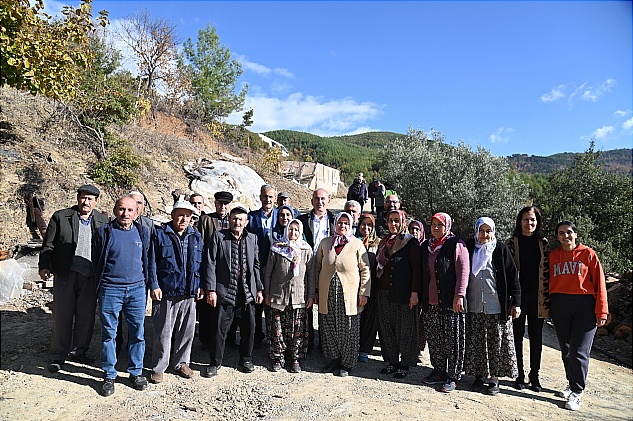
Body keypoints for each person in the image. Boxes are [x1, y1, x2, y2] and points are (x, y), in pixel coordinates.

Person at [39, 184, 109, 372]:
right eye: (83, 197)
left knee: (86, 316)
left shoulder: (103, 221)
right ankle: (58, 355)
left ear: (96, 201)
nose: (86, 202)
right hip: (65, 273)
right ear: (78, 198)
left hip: (91, 275)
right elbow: (49, 245)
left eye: (90, 199)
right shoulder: (61, 217)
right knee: (62, 315)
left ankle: (79, 352)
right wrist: (44, 265)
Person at [92, 195, 154, 397]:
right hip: (110, 290)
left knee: (137, 332)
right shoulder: (104, 232)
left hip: (137, 290)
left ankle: (135, 372)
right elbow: (96, 260)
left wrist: (150, 285)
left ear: (137, 212)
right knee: (109, 334)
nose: (125, 214)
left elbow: (148, 260)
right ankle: (109, 375)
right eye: (121, 209)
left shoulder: (142, 232)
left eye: (130, 210)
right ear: (114, 210)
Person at [549, 221, 608, 411]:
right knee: (566, 349)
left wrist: (602, 311)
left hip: (584, 306)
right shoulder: (553, 256)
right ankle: (571, 384)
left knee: (579, 351)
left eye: (569, 233)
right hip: (560, 305)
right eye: (561, 233)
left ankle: (577, 391)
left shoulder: (588, 255)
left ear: (576, 234)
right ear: (557, 237)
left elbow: (599, 284)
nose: (565, 236)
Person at [202, 205, 264, 377]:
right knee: (218, 330)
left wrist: (259, 288)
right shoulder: (219, 237)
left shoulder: (252, 238)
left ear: (246, 222)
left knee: (249, 328)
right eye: (234, 218)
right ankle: (215, 362)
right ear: (229, 220)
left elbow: (256, 266)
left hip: (246, 292)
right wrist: (211, 290)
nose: (237, 222)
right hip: (224, 292)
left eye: (240, 219)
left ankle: (246, 359)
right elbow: (210, 263)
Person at [464, 217, 521, 396]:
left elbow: (513, 278)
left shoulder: (500, 250)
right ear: (476, 231)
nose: (485, 235)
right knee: (478, 342)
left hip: (496, 306)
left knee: (495, 343)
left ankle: (494, 379)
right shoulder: (470, 248)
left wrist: (516, 303)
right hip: (474, 305)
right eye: (482, 231)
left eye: (488, 231)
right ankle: (479, 376)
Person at [149, 201, 204, 384]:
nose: (183, 219)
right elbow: (152, 263)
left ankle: (181, 362)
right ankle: (159, 367)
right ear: (172, 215)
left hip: (189, 291)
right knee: (163, 332)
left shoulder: (196, 236)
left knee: (187, 331)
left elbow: (201, 263)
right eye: (180, 215)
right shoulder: (160, 234)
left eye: (187, 216)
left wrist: (200, 285)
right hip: (166, 291)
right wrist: (154, 285)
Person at [316, 212, 371, 377]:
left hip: (349, 295)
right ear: (335, 224)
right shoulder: (325, 243)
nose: (343, 226)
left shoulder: (356, 244)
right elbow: (317, 267)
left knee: (349, 328)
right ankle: (333, 359)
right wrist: (316, 291)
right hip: (328, 294)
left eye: (346, 223)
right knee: (329, 326)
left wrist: (364, 293)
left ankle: (347, 363)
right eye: (340, 222)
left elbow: (365, 269)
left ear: (351, 225)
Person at [421, 212, 469, 393]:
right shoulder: (428, 246)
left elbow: (463, 271)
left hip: (450, 302)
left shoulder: (456, 244)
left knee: (453, 340)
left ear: (447, 226)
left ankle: (453, 376)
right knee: (435, 338)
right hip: (431, 302)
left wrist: (459, 295)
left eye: (439, 225)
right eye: (433, 224)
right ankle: (439, 371)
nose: (435, 228)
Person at [505, 206, 550, 392]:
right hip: (518, 297)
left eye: (533, 220)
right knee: (516, 336)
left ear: (537, 222)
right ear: (519, 221)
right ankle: (519, 374)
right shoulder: (511, 242)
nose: (529, 223)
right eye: (526, 219)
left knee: (536, 337)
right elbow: (507, 272)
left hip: (538, 297)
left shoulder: (543, 243)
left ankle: (535, 375)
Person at [263, 219, 315, 373]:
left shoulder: (306, 249)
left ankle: (295, 358)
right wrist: (267, 292)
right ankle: (278, 358)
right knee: (277, 329)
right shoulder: (277, 248)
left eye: (296, 230)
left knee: (296, 329)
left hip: (299, 296)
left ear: (301, 232)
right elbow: (268, 272)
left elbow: (311, 275)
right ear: (286, 231)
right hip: (278, 295)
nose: (293, 233)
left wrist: (311, 295)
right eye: (290, 229)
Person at [374, 210, 421, 379]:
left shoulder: (410, 242)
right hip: (383, 292)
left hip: (404, 292)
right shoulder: (384, 242)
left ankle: (405, 363)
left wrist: (415, 293)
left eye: (396, 221)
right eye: (390, 221)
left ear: (403, 222)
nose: (393, 224)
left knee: (405, 329)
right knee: (386, 328)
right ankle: (392, 361)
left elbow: (417, 270)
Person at [297, 188, 336, 351]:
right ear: (312, 201)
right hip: (307, 266)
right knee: (307, 302)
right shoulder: (302, 220)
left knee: (325, 304)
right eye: (316, 199)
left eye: (323, 199)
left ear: (328, 201)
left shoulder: (334, 220)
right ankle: (308, 342)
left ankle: (325, 342)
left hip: (326, 267)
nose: (319, 202)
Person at [197, 191, 233, 351]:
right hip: (210, 269)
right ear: (215, 203)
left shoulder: (235, 220)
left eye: (225, 204)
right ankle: (206, 340)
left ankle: (229, 339)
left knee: (228, 307)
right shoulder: (206, 220)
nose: (222, 207)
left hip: (229, 272)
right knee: (207, 308)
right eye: (219, 203)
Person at [248, 184, 279, 346]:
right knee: (257, 301)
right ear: (260, 197)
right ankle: (257, 336)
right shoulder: (251, 218)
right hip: (257, 265)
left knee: (274, 302)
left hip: (276, 267)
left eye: (271, 197)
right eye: (265, 196)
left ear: (275, 199)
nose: (268, 199)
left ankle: (274, 337)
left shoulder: (282, 216)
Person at [356, 214, 381, 363]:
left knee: (370, 319)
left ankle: (364, 349)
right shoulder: (352, 241)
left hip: (373, 287)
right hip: (354, 286)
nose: (366, 228)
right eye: (363, 224)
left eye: (369, 225)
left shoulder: (378, 244)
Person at [408, 219, 427, 359]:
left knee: (422, 320)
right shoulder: (406, 245)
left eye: (417, 229)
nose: (414, 232)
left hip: (425, 287)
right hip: (411, 287)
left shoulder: (427, 246)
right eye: (412, 229)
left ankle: (419, 346)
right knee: (410, 318)